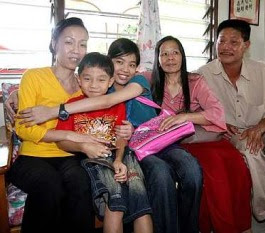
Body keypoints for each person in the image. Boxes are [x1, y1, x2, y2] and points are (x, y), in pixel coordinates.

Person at [12, 38, 203, 233]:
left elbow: (107, 104)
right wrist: (17, 94)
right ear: (109, 62)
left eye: (131, 64)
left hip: (152, 143)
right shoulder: (97, 87)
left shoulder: (136, 82)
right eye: (119, 62)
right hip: (117, 154)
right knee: (138, 189)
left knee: (187, 171)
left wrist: (55, 110)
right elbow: (86, 83)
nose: (125, 69)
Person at [197, 19, 265, 233]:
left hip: (263, 128)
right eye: (221, 41)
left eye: (234, 42)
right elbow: (197, 111)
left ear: (246, 45)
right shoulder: (203, 75)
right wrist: (220, 121)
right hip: (230, 133)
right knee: (251, 147)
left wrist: (258, 129)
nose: (226, 47)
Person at [151, 35, 252, 233]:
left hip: (198, 138)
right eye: (164, 54)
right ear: (158, 59)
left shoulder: (195, 81)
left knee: (235, 163)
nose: (170, 58)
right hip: (174, 144)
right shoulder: (149, 80)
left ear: (182, 56)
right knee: (214, 169)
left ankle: (240, 225)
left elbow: (217, 114)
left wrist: (185, 117)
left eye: (175, 53)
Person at [7, 17, 97, 233]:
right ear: (54, 43)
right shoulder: (34, 77)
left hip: (69, 157)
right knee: (49, 185)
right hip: (32, 157)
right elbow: (24, 129)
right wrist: (71, 136)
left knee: (80, 182)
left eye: (82, 43)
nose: (76, 50)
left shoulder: (86, 85)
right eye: (69, 42)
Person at [55, 52, 153, 233]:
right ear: (79, 79)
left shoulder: (117, 104)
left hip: (123, 156)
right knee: (115, 203)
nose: (93, 85)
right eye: (87, 79)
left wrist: (119, 160)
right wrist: (82, 146)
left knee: (141, 204)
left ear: (110, 82)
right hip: (95, 160)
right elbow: (62, 141)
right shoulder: (72, 105)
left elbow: (121, 137)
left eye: (101, 80)